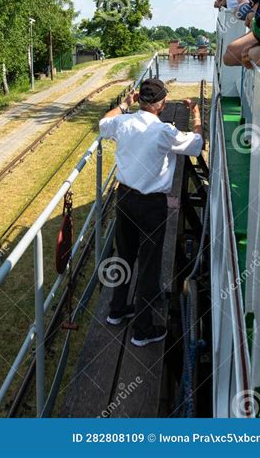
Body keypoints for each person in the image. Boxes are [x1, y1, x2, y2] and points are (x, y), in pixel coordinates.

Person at [99, 79, 203, 347]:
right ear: (162, 104)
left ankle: (116, 310)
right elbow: (196, 144)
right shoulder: (164, 131)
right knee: (148, 264)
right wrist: (196, 114)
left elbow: (103, 123)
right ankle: (142, 331)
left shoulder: (123, 122)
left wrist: (124, 104)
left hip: (124, 198)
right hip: (151, 205)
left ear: (140, 101)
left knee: (125, 255)